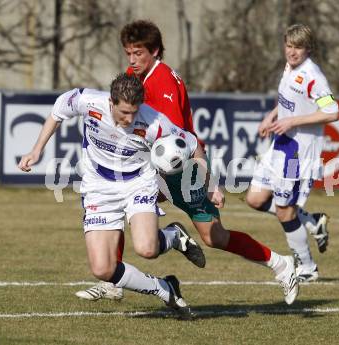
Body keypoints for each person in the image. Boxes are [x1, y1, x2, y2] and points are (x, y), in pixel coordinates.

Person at [76, 19, 299, 305]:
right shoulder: (141, 80)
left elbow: (175, 144)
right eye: (128, 53)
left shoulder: (162, 80)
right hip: (158, 169)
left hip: (181, 172)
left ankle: (280, 264)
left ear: (155, 51)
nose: (132, 60)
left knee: (214, 236)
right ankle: (114, 280)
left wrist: (208, 184)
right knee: (116, 201)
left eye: (138, 53)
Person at [18, 73, 209, 316]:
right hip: (98, 186)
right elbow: (57, 112)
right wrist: (36, 151)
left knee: (147, 249)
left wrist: (206, 182)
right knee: (102, 269)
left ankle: (172, 236)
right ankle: (164, 288)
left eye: (134, 112)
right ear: (111, 102)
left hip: (138, 183)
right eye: (123, 113)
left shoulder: (155, 122)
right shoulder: (87, 101)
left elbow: (193, 145)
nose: (129, 119)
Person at [246, 24, 339, 282]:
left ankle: (308, 268)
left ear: (308, 49)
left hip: (299, 152)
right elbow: (287, 98)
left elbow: (333, 112)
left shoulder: (313, 76)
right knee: (255, 199)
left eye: (298, 47)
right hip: (281, 143)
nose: (292, 52)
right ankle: (312, 221)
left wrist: (292, 121)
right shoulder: (290, 67)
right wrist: (272, 115)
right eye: (289, 46)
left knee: (285, 210)